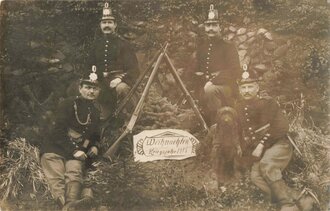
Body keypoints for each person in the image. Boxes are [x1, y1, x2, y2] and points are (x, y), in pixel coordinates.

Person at [235, 65, 318, 211]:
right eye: (243, 88)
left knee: (267, 164)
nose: (247, 91)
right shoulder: (239, 107)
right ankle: (301, 198)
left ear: (257, 88)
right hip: (258, 150)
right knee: (256, 177)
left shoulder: (269, 103)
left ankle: (288, 205)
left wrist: (262, 143)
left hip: (279, 144)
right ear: (239, 90)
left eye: (250, 86)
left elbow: (282, 127)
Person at [40, 66, 102, 210]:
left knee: (74, 170)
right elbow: (56, 131)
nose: (91, 91)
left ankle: (72, 204)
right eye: (87, 87)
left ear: (99, 92)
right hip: (55, 149)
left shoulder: (95, 111)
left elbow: (95, 134)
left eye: (95, 88)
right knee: (57, 177)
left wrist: (95, 146)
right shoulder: (67, 104)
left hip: (76, 153)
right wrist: (74, 150)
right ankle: (67, 206)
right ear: (80, 88)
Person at [187, 4, 241, 125]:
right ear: (204, 27)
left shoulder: (228, 46)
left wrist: (213, 81)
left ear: (220, 27)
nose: (210, 28)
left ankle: (218, 127)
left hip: (226, 88)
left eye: (214, 25)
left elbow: (234, 70)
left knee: (210, 91)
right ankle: (205, 128)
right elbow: (198, 70)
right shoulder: (202, 48)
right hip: (206, 85)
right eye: (208, 25)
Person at [88, 2, 139, 120]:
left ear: (115, 25)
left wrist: (119, 78)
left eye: (109, 22)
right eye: (104, 22)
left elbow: (134, 69)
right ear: (100, 25)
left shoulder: (123, 44)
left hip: (118, 81)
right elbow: (89, 65)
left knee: (122, 88)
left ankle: (131, 119)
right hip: (100, 80)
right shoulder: (96, 45)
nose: (107, 25)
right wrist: (92, 76)